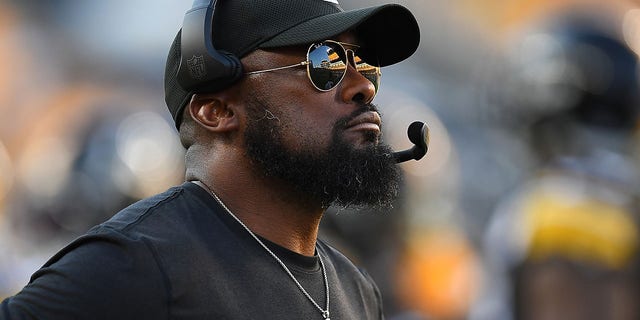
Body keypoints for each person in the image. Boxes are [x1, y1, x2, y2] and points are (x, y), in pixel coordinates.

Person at [1, 0, 421, 319]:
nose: (362, 86)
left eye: (363, 63)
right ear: (217, 111)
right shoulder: (139, 264)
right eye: (323, 62)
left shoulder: (356, 288)